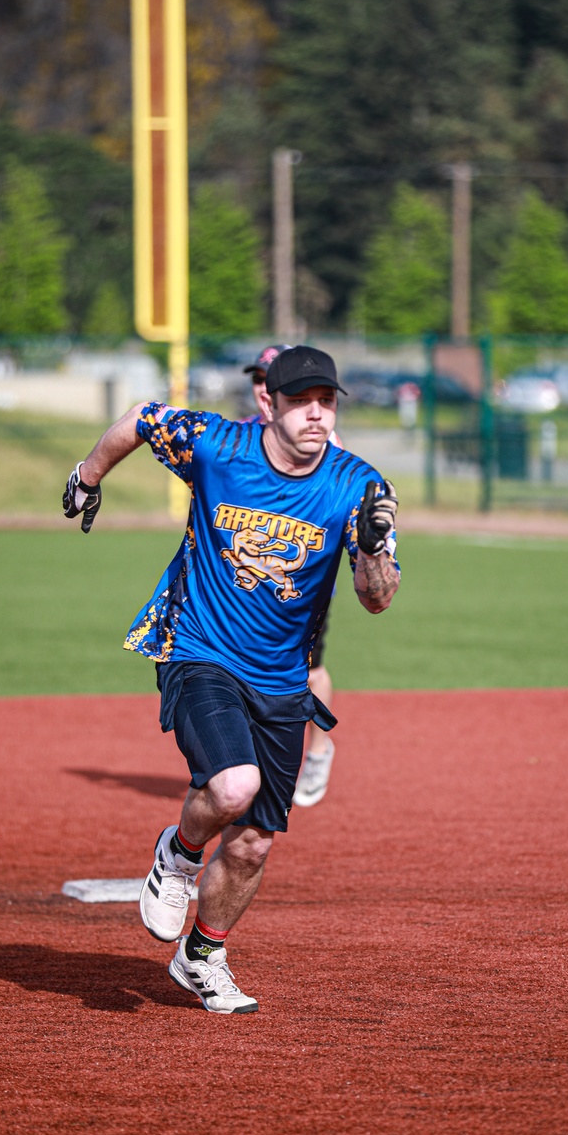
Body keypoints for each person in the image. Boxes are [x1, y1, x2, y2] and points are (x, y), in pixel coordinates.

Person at [63, 345, 400, 1015]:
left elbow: (378, 598)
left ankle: (202, 957)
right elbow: (140, 418)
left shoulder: (360, 485)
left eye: (326, 402)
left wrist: (369, 550)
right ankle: (179, 855)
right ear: (267, 403)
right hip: (199, 649)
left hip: (282, 678)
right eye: (301, 401)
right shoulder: (218, 446)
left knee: (251, 843)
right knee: (232, 786)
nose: (316, 414)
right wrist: (88, 475)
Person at [241, 345, 337, 808]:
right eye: (257, 378)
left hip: (302, 582)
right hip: (249, 575)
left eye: (267, 377)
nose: (260, 385)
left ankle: (317, 749)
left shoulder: (321, 446)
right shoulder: (240, 437)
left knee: (309, 670)